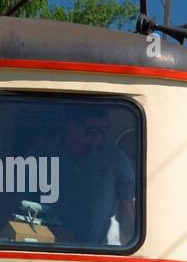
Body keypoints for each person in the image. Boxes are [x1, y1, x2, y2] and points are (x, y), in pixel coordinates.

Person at [48, 105, 137, 247]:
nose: (98, 136)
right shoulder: (44, 153)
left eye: (103, 130)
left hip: (103, 251)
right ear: (71, 126)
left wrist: (134, 244)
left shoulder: (115, 158)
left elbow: (128, 203)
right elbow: (15, 196)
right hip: (47, 246)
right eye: (91, 130)